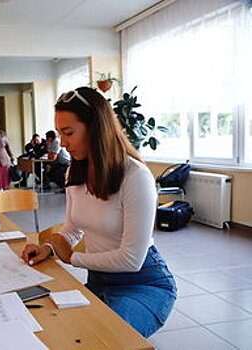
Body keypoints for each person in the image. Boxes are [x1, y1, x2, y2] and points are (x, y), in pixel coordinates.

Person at [22, 87, 176, 338]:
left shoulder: (135, 176)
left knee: (105, 338)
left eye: (69, 132)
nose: (63, 143)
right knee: (57, 332)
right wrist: (49, 248)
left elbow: (131, 259)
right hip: (100, 280)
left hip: (142, 284)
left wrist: (72, 258)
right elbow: (72, 228)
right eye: (60, 133)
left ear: (96, 128)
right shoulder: (75, 172)